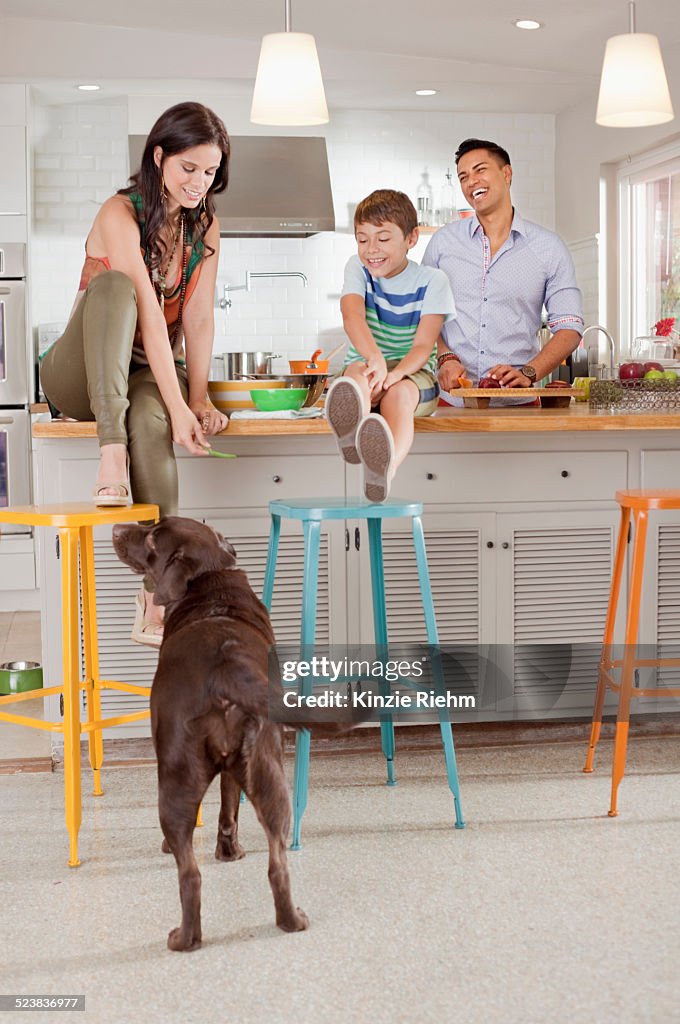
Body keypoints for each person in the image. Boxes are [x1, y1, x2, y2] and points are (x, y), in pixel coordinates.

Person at [40, 102, 230, 645]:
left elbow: (197, 315)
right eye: (188, 168)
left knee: (151, 425)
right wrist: (176, 403)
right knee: (116, 288)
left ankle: (156, 591)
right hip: (79, 372)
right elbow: (147, 307)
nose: (199, 182)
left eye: (210, 172)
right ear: (159, 156)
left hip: (147, 368)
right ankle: (110, 450)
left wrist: (195, 401)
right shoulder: (119, 211)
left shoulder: (207, 226)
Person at [422, 138, 584, 395]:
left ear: (506, 173)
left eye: (480, 170)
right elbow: (424, 312)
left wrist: (529, 372)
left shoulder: (549, 248)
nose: (471, 181)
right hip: (449, 402)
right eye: (463, 177)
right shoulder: (443, 243)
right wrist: (445, 357)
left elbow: (570, 327)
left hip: (518, 406)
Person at [326, 189, 455, 502]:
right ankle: (349, 428)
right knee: (354, 376)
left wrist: (395, 375)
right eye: (362, 239)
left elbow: (424, 346)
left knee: (398, 395)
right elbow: (352, 316)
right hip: (370, 366)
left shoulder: (433, 281)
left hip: (413, 372)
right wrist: (375, 361)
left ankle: (385, 469)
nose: (371, 250)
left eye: (383, 239)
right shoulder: (357, 269)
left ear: (411, 238)